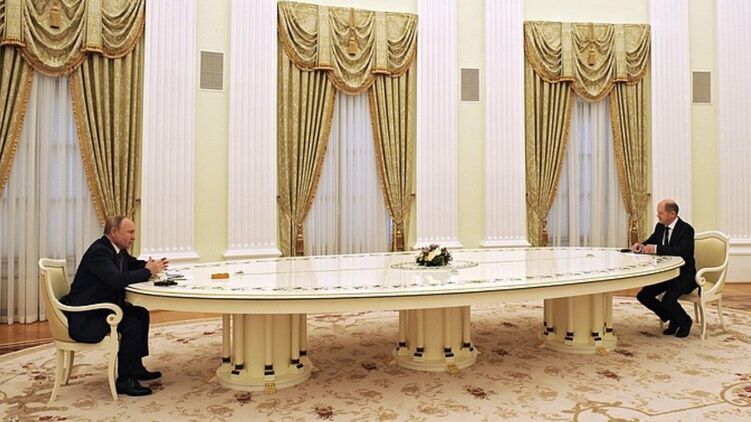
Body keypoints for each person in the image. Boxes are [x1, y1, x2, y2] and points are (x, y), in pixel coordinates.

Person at [63, 215, 169, 396]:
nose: (134, 237)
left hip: (103, 308)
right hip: (88, 316)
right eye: (130, 232)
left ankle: (135, 367)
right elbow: (116, 279)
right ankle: (124, 380)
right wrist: (147, 271)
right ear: (114, 232)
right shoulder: (99, 252)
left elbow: (133, 265)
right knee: (131, 324)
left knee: (140, 313)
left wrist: (151, 265)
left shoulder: (117, 251)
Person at [631, 199, 697, 338]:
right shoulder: (660, 227)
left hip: (684, 275)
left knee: (668, 300)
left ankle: (685, 321)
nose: (657, 215)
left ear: (672, 214)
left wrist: (655, 249)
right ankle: (673, 317)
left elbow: (682, 251)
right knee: (643, 296)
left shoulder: (686, 230)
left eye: (660, 213)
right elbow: (650, 242)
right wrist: (641, 246)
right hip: (666, 274)